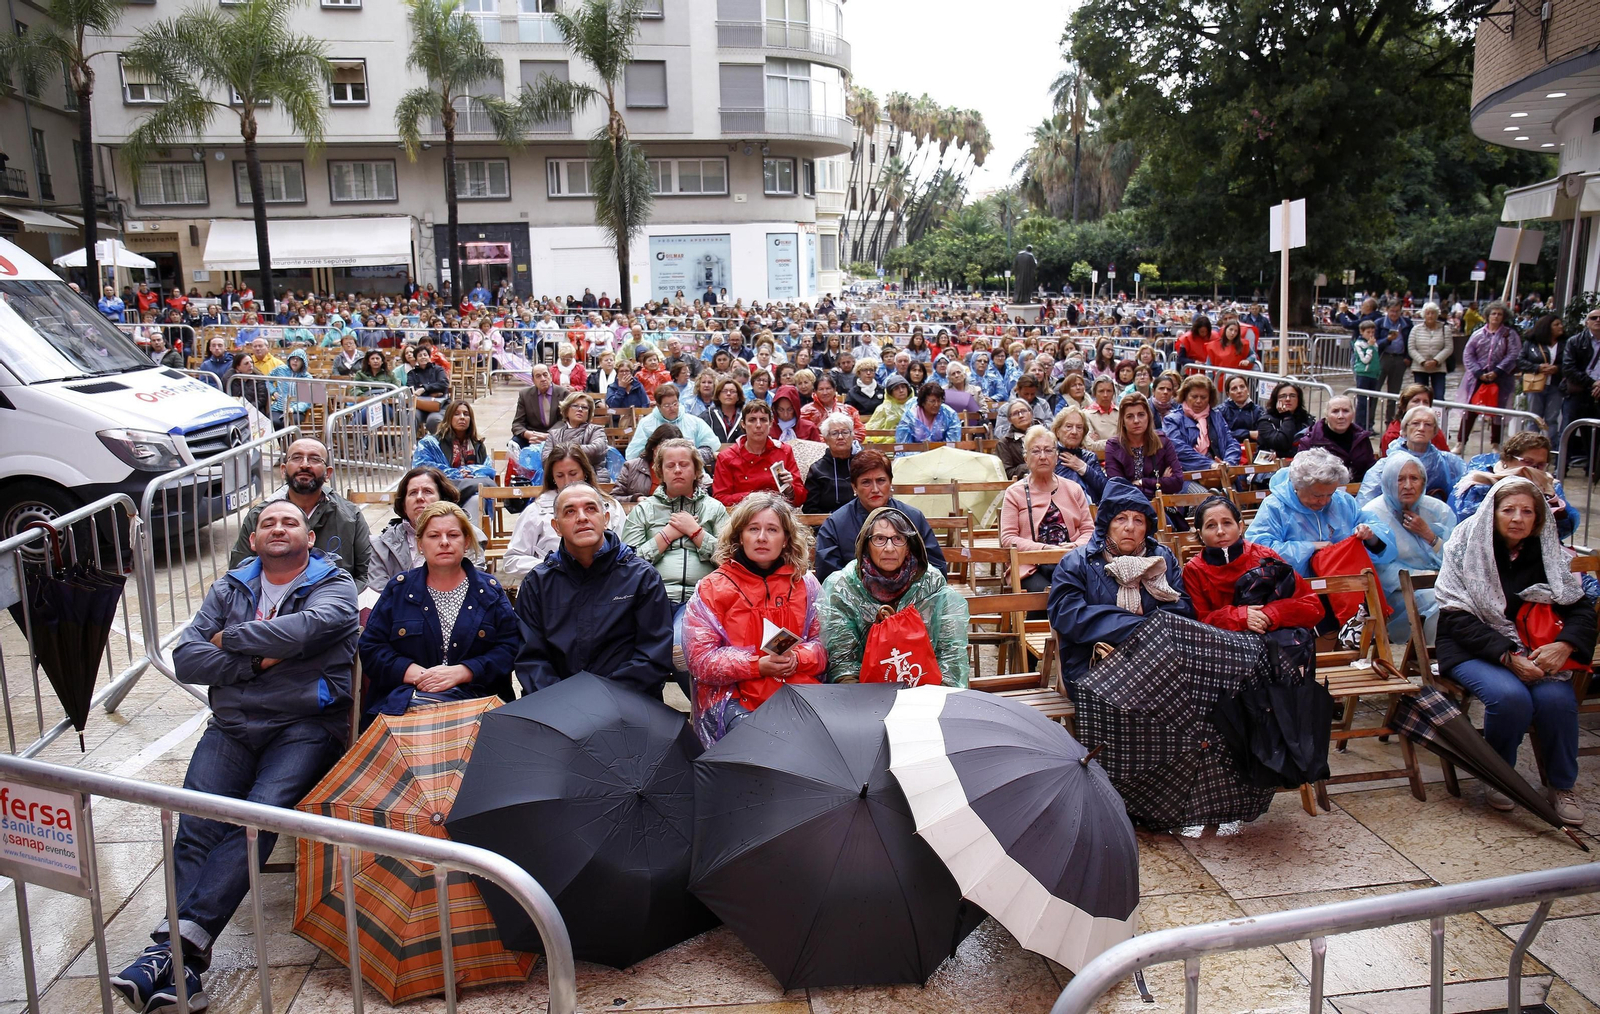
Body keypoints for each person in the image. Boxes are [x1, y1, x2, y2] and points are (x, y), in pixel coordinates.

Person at [114, 502, 358, 1014]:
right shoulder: (230, 587)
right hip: (232, 723)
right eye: (268, 522)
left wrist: (230, 642)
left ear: (309, 538)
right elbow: (187, 658)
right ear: (253, 540)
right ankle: (179, 962)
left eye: (289, 521)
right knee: (198, 822)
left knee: (256, 816)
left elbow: (314, 628)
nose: (278, 528)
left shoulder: (335, 583)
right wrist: (259, 661)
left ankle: (171, 950)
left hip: (304, 724)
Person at [1434, 477, 1590, 825]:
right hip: (1471, 645)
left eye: (1527, 512)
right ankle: (1500, 775)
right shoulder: (1465, 545)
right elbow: (1456, 618)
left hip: (1535, 646)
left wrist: (1563, 646)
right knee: (1510, 697)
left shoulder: (1547, 554)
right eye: (1508, 510)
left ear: (1538, 519)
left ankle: (1562, 785)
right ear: (1492, 513)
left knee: (1557, 700)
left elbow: (1580, 609)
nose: (1517, 518)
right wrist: (1508, 656)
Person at [682, 492, 827, 746]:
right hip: (733, 699)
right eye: (753, 529)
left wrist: (796, 658)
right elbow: (701, 661)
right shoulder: (712, 588)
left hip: (798, 690)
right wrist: (757, 665)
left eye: (772, 529)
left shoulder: (805, 584)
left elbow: (825, 647)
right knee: (761, 738)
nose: (762, 538)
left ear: (785, 539)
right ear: (740, 536)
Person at [513, 482, 675, 697]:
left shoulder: (642, 577)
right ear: (556, 526)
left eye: (591, 508)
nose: (582, 517)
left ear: (606, 519)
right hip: (557, 706)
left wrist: (600, 698)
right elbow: (531, 659)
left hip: (627, 702)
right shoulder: (538, 583)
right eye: (570, 511)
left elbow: (653, 656)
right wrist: (565, 700)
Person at [360, 501, 518, 718]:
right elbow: (371, 647)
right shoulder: (399, 590)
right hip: (405, 704)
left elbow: (510, 647)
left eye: (453, 535)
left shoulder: (489, 592)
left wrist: (464, 672)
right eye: (434, 536)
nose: (444, 542)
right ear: (420, 544)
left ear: (467, 542)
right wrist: (414, 673)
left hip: (476, 703)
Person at [1046, 479, 1193, 686]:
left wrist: (1142, 632)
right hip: (1093, 662)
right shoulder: (1077, 562)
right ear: (1106, 524)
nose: (1130, 527)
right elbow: (1069, 616)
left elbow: (1182, 609)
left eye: (1139, 521)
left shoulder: (1162, 559)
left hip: (1157, 659)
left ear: (1147, 528)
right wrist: (1142, 628)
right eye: (1121, 519)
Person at [819, 506, 971, 687]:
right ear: (866, 545)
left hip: (926, 688)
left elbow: (950, 652)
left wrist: (938, 697)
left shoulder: (930, 585)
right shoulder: (844, 587)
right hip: (866, 692)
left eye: (898, 539)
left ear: (909, 547)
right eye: (879, 539)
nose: (889, 548)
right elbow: (843, 659)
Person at [229, 438, 372, 584]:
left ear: (328, 474)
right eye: (296, 458)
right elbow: (239, 575)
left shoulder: (350, 517)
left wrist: (340, 600)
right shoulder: (259, 517)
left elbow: (369, 575)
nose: (304, 465)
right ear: (283, 470)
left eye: (315, 459)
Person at [1182, 496, 1323, 634]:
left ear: (1240, 526)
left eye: (1227, 523)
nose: (1220, 531)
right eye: (1211, 525)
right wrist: (1240, 617)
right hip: (1222, 650)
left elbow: (1311, 606)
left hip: (1273, 647)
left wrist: (1269, 614)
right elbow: (1196, 623)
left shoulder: (1265, 556)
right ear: (1200, 534)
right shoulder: (1194, 570)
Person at [620, 437, 727, 616]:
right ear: (660, 472)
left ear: (696, 471)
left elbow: (730, 559)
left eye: (684, 464)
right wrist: (666, 536)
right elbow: (627, 565)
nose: (677, 470)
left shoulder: (714, 508)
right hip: (652, 598)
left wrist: (696, 533)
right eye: (670, 466)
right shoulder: (643, 510)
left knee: (678, 638)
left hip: (701, 599)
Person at [1357, 449, 1456, 641]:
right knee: (1438, 603)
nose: (1408, 486)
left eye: (1414, 478)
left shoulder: (1438, 510)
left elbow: (1458, 557)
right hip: (1397, 591)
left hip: (1443, 583)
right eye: (1400, 479)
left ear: (1424, 482)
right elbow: (1378, 568)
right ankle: (1433, 657)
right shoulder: (1373, 513)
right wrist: (1423, 578)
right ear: (1388, 482)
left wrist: (1428, 534)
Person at [813, 449, 949, 582]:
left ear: (890, 482)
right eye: (866, 482)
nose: (875, 489)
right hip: (853, 601)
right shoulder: (836, 524)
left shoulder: (913, 518)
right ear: (854, 487)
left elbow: (936, 569)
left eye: (881, 480)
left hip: (911, 600)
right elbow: (829, 579)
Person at [501, 445, 626, 577]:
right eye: (560, 476)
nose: (567, 481)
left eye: (573, 474)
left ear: (585, 473)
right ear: (552, 479)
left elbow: (624, 551)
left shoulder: (611, 507)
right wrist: (552, 568)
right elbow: (512, 559)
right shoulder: (536, 511)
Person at [1246, 448, 1372, 578]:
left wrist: (1367, 533)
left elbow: (1373, 527)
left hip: (1342, 584)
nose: (1324, 501)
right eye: (1317, 495)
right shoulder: (1275, 506)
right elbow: (1259, 550)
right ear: (1297, 486)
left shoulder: (1342, 501)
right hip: (1293, 587)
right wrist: (1309, 547)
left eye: (1330, 494)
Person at [1001, 425, 1095, 593]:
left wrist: (1074, 546)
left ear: (1056, 456)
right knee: (1048, 594)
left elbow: (1089, 531)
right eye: (1035, 451)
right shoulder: (1014, 493)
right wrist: (1043, 549)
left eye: (1048, 450)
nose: (1043, 456)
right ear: (1026, 458)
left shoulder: (1073, 489)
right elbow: (1008, 538)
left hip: (1072, 561)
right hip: (1031, 565)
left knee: (1086, 590)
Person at [368, 466, 487, 591]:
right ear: (403, 505)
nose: (419, 497)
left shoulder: (469, 537)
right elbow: (380, 595)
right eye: (413, 492)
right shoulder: (381, 546)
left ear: (443, 500)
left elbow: (472, 589)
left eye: (427, 491)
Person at [1451, 430, 1579, 542]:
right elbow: (1469, 521)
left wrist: (1552, 501)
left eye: (1540, 465)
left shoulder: (1549, 485)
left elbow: (1564, 527)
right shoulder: (1479, 481)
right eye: (1527, 462)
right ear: (1507, 459)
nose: (1533, 469)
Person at [1358, 404, 1466, 505]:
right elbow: (1366, 502)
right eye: (1415, 423)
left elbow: (1462, 498)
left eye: (1428, 424)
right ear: (1404, 430)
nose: (1421, 428)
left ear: (1435, 432)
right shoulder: (1384, 466)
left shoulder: (1449, 463)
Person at [711, 400, 806, 507]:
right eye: (752, 420)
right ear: (743, 424)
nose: (758, 425)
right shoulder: (727, 457)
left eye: (763, 420)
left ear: (770, 423)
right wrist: (750, 498)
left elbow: (801, 498)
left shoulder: (784, 451)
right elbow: (720, 499)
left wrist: (790, 489)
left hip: (778, 516)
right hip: (741, 517)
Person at [1455, 301, 1521, 451]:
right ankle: (1460, 442)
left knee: (1498, 410)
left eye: (1499, 314)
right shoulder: (1478, 334)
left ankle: (1495, 444)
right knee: (1470, 408)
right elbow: (1468, 354)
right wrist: (1478, 372)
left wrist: (1498, 371)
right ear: (1487, 315)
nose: (1496, 317)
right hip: (1477, 377)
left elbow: (1513, 354)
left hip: (1501, 377)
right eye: (1493, 313)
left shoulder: (1509, 335)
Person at [1103, 392, 1189, 499]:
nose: (1136, 421)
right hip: (1128, 506)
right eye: (1130, 416)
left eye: (1141, 415)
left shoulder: (1162, 441)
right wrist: (1159, 483)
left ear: (1148, 417)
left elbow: (1177, 482)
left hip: (1162, 506)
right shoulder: (1114, 446)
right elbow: (1118, 488)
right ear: (1123, 421)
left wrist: (1142, 482)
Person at [1164, 374, 1242, 472]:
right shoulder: (1172, 420)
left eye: (1203, 397)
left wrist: (1228, 462)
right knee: (1203, 489)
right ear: (1185, 396)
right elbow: (1178, 449)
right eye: (1194, 396)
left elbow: (1231, 442)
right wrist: (1210, 465)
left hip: (1220, 471)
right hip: (1186, 474)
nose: (1199, 401)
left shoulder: (1216, 416)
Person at [627, 382, 720, 462]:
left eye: (675, 404)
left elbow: (710, 448)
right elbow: (634, 454)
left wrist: (689, 455)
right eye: (667, 405)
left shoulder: (694, 422)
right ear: (658, 406)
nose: (672, 408)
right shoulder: (646, 424)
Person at [1297, 395, 1376, 482]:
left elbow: (1372, 470)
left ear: (1353, 414)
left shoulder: (1362, 438)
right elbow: (1300, 476)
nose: (1341, 416)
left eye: (1346, 411)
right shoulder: (1310, 441)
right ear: (1326, 415)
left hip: (1360, 492)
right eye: (1335, 411)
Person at [1517, 313, 1565, 436]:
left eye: (1560, 324)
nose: (1561, 326)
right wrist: (1537, 367)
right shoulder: (1531, 343)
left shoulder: (1566, 343)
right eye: (1556, 324)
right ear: (1547, 327)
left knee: (1551, 419)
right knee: (1534, 419)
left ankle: (1550, 450)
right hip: (1535, 385)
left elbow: (1570, 363)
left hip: (1556, 385)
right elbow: (1520, 361)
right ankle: (1531, 446)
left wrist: (1557, 369)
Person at [543, 391, 611, 474]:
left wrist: (563, 452)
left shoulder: (596, 430)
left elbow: (596, 450)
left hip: (593, 477)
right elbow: (546, 460)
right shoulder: (554, 435)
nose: (580, 409)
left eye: (584, 407)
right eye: (575, 406)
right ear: (566, 410)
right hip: (561, 479)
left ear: (589, 413)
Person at [1052, 405, 1109, 503]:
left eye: (1079, 427)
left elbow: (1105, 489)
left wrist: (1084, 468)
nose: (1074, 432)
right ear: (1057, 431)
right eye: (1069, 426)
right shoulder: (1050, 456)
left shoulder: (1089, 457)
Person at [804, 414, 858, 514]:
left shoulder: (862, 465)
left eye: (845, 432)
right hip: (827, 526)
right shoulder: (817, 470)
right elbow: (810, 510)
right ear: (825, 439)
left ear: (852, 436)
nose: (840, 437)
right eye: (834, 433)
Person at [1378, 383, 1449, 456]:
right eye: (1416, 401)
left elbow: (1446, 459)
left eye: (1425, 402)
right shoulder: (1392, 436)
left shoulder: (1434, 431)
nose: (1421, 405)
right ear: (1404, 406)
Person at [512, 364, 569, 448]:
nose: (543, 379)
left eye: (545, 375)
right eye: (538, 376)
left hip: (556, 434)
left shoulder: (563, 393)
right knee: (514, 444)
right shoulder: (525, 395)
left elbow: (565, 420)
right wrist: (527, 434)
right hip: (533, 435)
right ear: (533, 380)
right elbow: (517, 423)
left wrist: (548, 435)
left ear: (551, 376)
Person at [801, 373, 866, 443]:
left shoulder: (848, 410)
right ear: (815, 391)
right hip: (817, 449)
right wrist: (829, 441)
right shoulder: (806, 411)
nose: (825, 392)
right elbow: (803, 433)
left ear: (835, 389)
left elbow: (860, 432)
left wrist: (843, 440)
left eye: (828, 388)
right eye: (821, 389)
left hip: (846, 449)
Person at [1374, 301, 1413, 416]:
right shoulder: (1379, 323)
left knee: (1394, 393)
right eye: (1392, 311)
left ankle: (1390, 421)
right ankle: (1369, 422)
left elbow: (1411, 341)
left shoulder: (1407, 323)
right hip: (1383, 357)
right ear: (1387, 310)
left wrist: (1408, 357)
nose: (1394, 314)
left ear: (1401, 311)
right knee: (1374, 390)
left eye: (1397, 311)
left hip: (1399, 359)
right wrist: (1388, 339)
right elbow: (1374, 343)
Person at [1408, 302, 1453, 401]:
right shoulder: (1416, 329)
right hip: (1420, 367)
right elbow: (1411, 348)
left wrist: (1436, 361)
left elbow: (1449, 348)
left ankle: (1438, 416)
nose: (1430, 316)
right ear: (1424, 314)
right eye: (1428, 313)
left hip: (1438, 367)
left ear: (1437, 314)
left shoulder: (1445, 329)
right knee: (1420, 395)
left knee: (1439, 396)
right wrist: (1422, 361)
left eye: (1433, 313)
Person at [1258, 381, 1312, 458]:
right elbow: (1281, 444)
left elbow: (1309, 447)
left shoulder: (1307, 419)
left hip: (1301, 461)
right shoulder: (1266, 421)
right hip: (1270, 464)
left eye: (1292, 396)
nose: (1287, 399)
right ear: (1276, 400)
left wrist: (1281, 453)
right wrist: (1287, 417)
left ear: (1298, 399)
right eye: (1283, 396)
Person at [408, 344, 451, 433]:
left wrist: (424, 389)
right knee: (411, 417)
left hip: (439, 405)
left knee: (433, 420)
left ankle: (437, 444)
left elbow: (443, 384)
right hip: (420, 405)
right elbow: (412, 390)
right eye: (420, 355)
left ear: (429, 356)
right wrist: (433, 391)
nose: (423, 357)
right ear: (416, 359)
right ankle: (411, 444)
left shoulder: (438, 369)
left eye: (425, 355)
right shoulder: (412, 373)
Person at [1350, 319, 1383, 431]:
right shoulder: (1359, 344)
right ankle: (1360, 425)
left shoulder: (1374, 343)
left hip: (1373, 374)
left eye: (1372, 332)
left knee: (1371, 402)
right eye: (1368, 332)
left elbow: (1376, 359)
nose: (1370, 335)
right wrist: (1370, 347)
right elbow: (1365, 360)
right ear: (1362, 332)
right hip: (1363, 374)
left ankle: (1369, 425)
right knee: (1363, 401)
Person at [865, 374, 914, 441]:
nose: (901, 390)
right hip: (889, 443)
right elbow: (871, 429)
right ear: (890, 393)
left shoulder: (915, 405)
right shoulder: (883, 409)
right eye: (896, 388)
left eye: (903, 387)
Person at [1221, 375, 1265, 447]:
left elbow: (1263, 434)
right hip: (1228, 450)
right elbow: (1221, 435)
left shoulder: (1258, 410)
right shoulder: (1220, 411)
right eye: (1234, 388)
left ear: (1248, 390)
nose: (1239, 391)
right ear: (1228, 393)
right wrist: (1248, 433)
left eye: (1242, 387)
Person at [702, 376, 746, 445]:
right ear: (718, 395)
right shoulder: (708, 415)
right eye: (724, 391)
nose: (728, 394)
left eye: (732, 391)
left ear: (738, 396)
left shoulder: (746, 415)